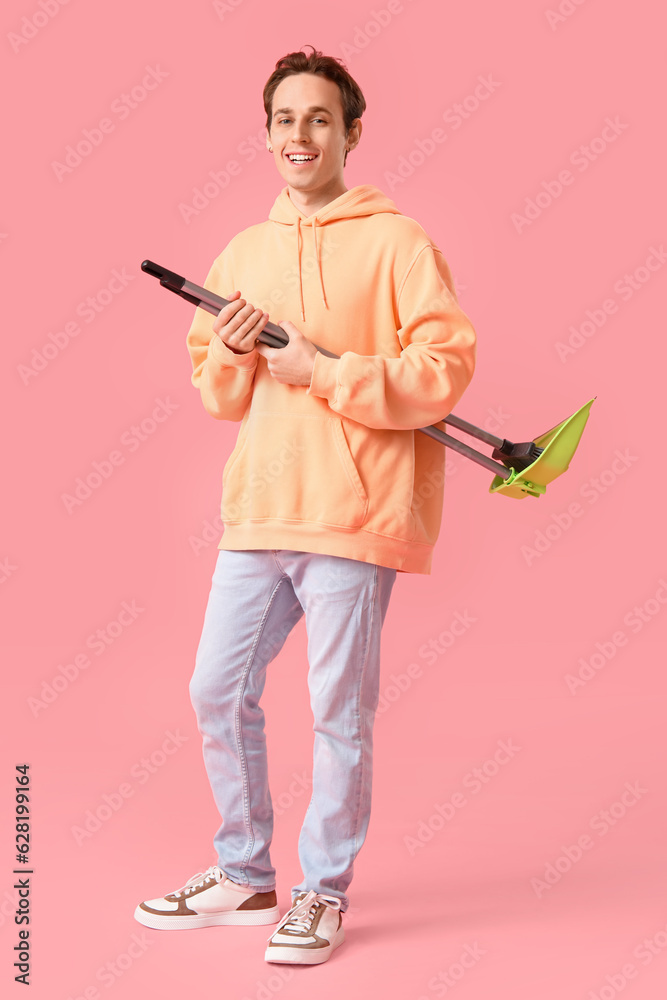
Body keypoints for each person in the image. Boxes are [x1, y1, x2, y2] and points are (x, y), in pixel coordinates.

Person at [134, 45, 477, 966]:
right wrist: (239, 353)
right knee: (216, 688)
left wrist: (327, 370)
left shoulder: (400, 243)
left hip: (355, 515)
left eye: (318, 118)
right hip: (259, 509)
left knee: (337, 711)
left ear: (350, 132)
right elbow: (218, 393)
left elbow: (441, 372)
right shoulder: (242, 251)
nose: (300, 134)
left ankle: (321, 892)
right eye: (285, 119)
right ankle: (245, 873)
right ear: (269, 133)